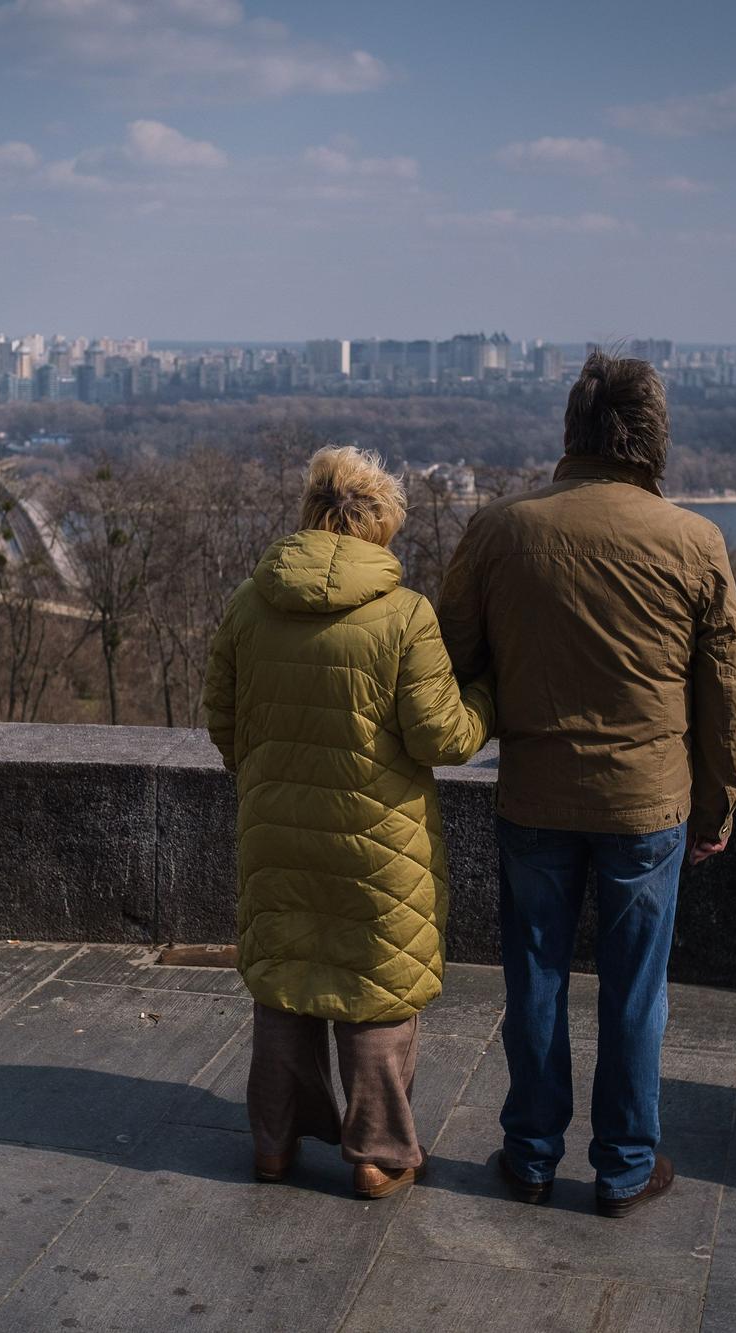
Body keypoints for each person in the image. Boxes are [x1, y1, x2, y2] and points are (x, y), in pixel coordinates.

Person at [438, 352, 736, 1217]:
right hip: (648, 803)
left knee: (533, 976)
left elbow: (447, 658)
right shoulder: (694, 541)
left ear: (570, 431)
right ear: (652, 438)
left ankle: (531, 1154)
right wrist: (718, 803)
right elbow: (726, 691)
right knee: (635, 989)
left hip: (534, 793)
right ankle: (623, 1167)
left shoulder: (500, 530)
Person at [205, 445, 494, 1200]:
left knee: (287, 982)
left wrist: (270, 775)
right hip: (379, 837)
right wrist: (489, 699)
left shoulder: (249, 602)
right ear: (381, 526)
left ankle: (273, 1142)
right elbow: (442, 738)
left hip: (276, 829)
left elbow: (223, 718)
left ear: (309, 515)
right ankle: (377, 1152)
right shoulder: (404, 616)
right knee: (375, 993)